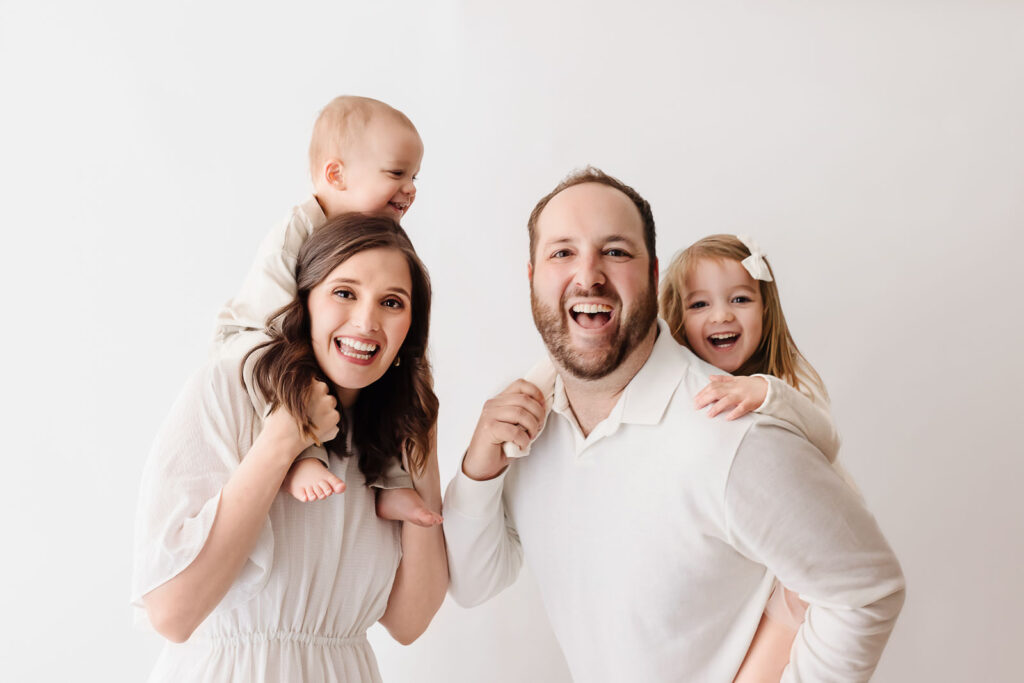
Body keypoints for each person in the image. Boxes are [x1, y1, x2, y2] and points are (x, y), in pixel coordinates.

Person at [442, 167, 905, 682]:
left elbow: (866, 588)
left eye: (615, 251)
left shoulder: (731, 429)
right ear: (531, 277)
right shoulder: (527, 424)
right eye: (562, 252)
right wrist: (478, 468)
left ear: (652, 273)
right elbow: (474, 581)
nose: (589, 274)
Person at [132, 215, 448, 682]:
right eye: (344, 292)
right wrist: (282, 441)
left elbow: (409, 621)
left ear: (410, 328)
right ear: (305, 303)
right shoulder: (229, 386)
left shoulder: (402, 425)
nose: (366, 321)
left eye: (392, 303)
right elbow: (172, 615)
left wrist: (419, 442)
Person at [214, 94, 438, 526]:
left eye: (414, 176)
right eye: (397, 173)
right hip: (257, 340)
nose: (410, 189)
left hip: (310, 344)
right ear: (336, 174)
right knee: (292, 377)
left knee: (391, 381)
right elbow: (274, 324)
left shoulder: (367, 237)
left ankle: (391, 482)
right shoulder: (296, 232)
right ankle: (299, 460)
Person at [660, 233, 856, 681]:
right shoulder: (688, 388)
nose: (722, 314)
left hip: (801, 561)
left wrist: (767, 393)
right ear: (677, 320)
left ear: (765, 310)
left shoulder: (787, 382)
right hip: (743, 562)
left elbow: (828, 439)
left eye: (740, 298)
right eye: (699, 304)